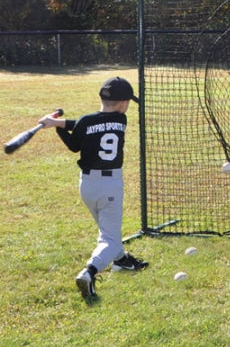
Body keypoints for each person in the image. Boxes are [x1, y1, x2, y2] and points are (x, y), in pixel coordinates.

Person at [39, 76, 148, 301]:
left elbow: (76, 140)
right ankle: (89, 272)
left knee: (107, 232)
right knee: (111, 239)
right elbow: (86, 125)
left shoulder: (87, 122)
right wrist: (57, 123)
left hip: (87, 186)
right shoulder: (122, 120)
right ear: (122, 103)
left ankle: (120, 260)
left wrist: (56, 125)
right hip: (110, 185)